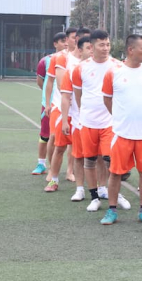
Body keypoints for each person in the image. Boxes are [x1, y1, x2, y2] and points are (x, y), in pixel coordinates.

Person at [99, 35, 142, 225]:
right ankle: (111, 210)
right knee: (116, 173)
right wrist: (119, 117)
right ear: (131, 50)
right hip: (121, 133)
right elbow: (107, 99)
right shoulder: (114, 72)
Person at [72, 30, 130, 212]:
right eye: (101, 45)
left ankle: (115, 193)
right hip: (88, 122)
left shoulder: (117, 66)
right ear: (91, 47)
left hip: (110, 122)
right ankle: (94, 197)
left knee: (111, 160)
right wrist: (83, 114)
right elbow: (78, 95)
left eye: (108, 44)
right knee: (89, 160)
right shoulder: (80, 68)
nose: (106, 48)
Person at [43, 27, 91, 192]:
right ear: (78, 41)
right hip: (63, 108)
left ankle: (73, 174)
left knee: (80, 149)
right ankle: (53, 177)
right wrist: (48, 104)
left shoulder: (92, 63)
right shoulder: (63, 58)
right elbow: (59, 84)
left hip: (83, 113)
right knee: (59, 144)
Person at [60, 36, 92, 201]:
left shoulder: (110, 68)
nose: (92, 51)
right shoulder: (74, 70)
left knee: (102, 158)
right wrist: (65, 120)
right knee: (78, 156)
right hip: (79, 122)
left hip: (102, 124)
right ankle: (80, 189)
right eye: (88, 48)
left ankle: (102, 188)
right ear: (80, 50)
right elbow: (66, 97)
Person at [31, 32, 67, 175]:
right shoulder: (45, 61)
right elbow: (41, 81)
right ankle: (41, 164)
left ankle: (69, 169)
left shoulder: (72, 59)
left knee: (66, 137)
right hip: (49, 105)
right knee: (45, 135)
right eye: (62, 41)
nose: (65, 44)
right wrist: (48, 99)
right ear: (55, 44)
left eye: (67, 41)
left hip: (66, 105)